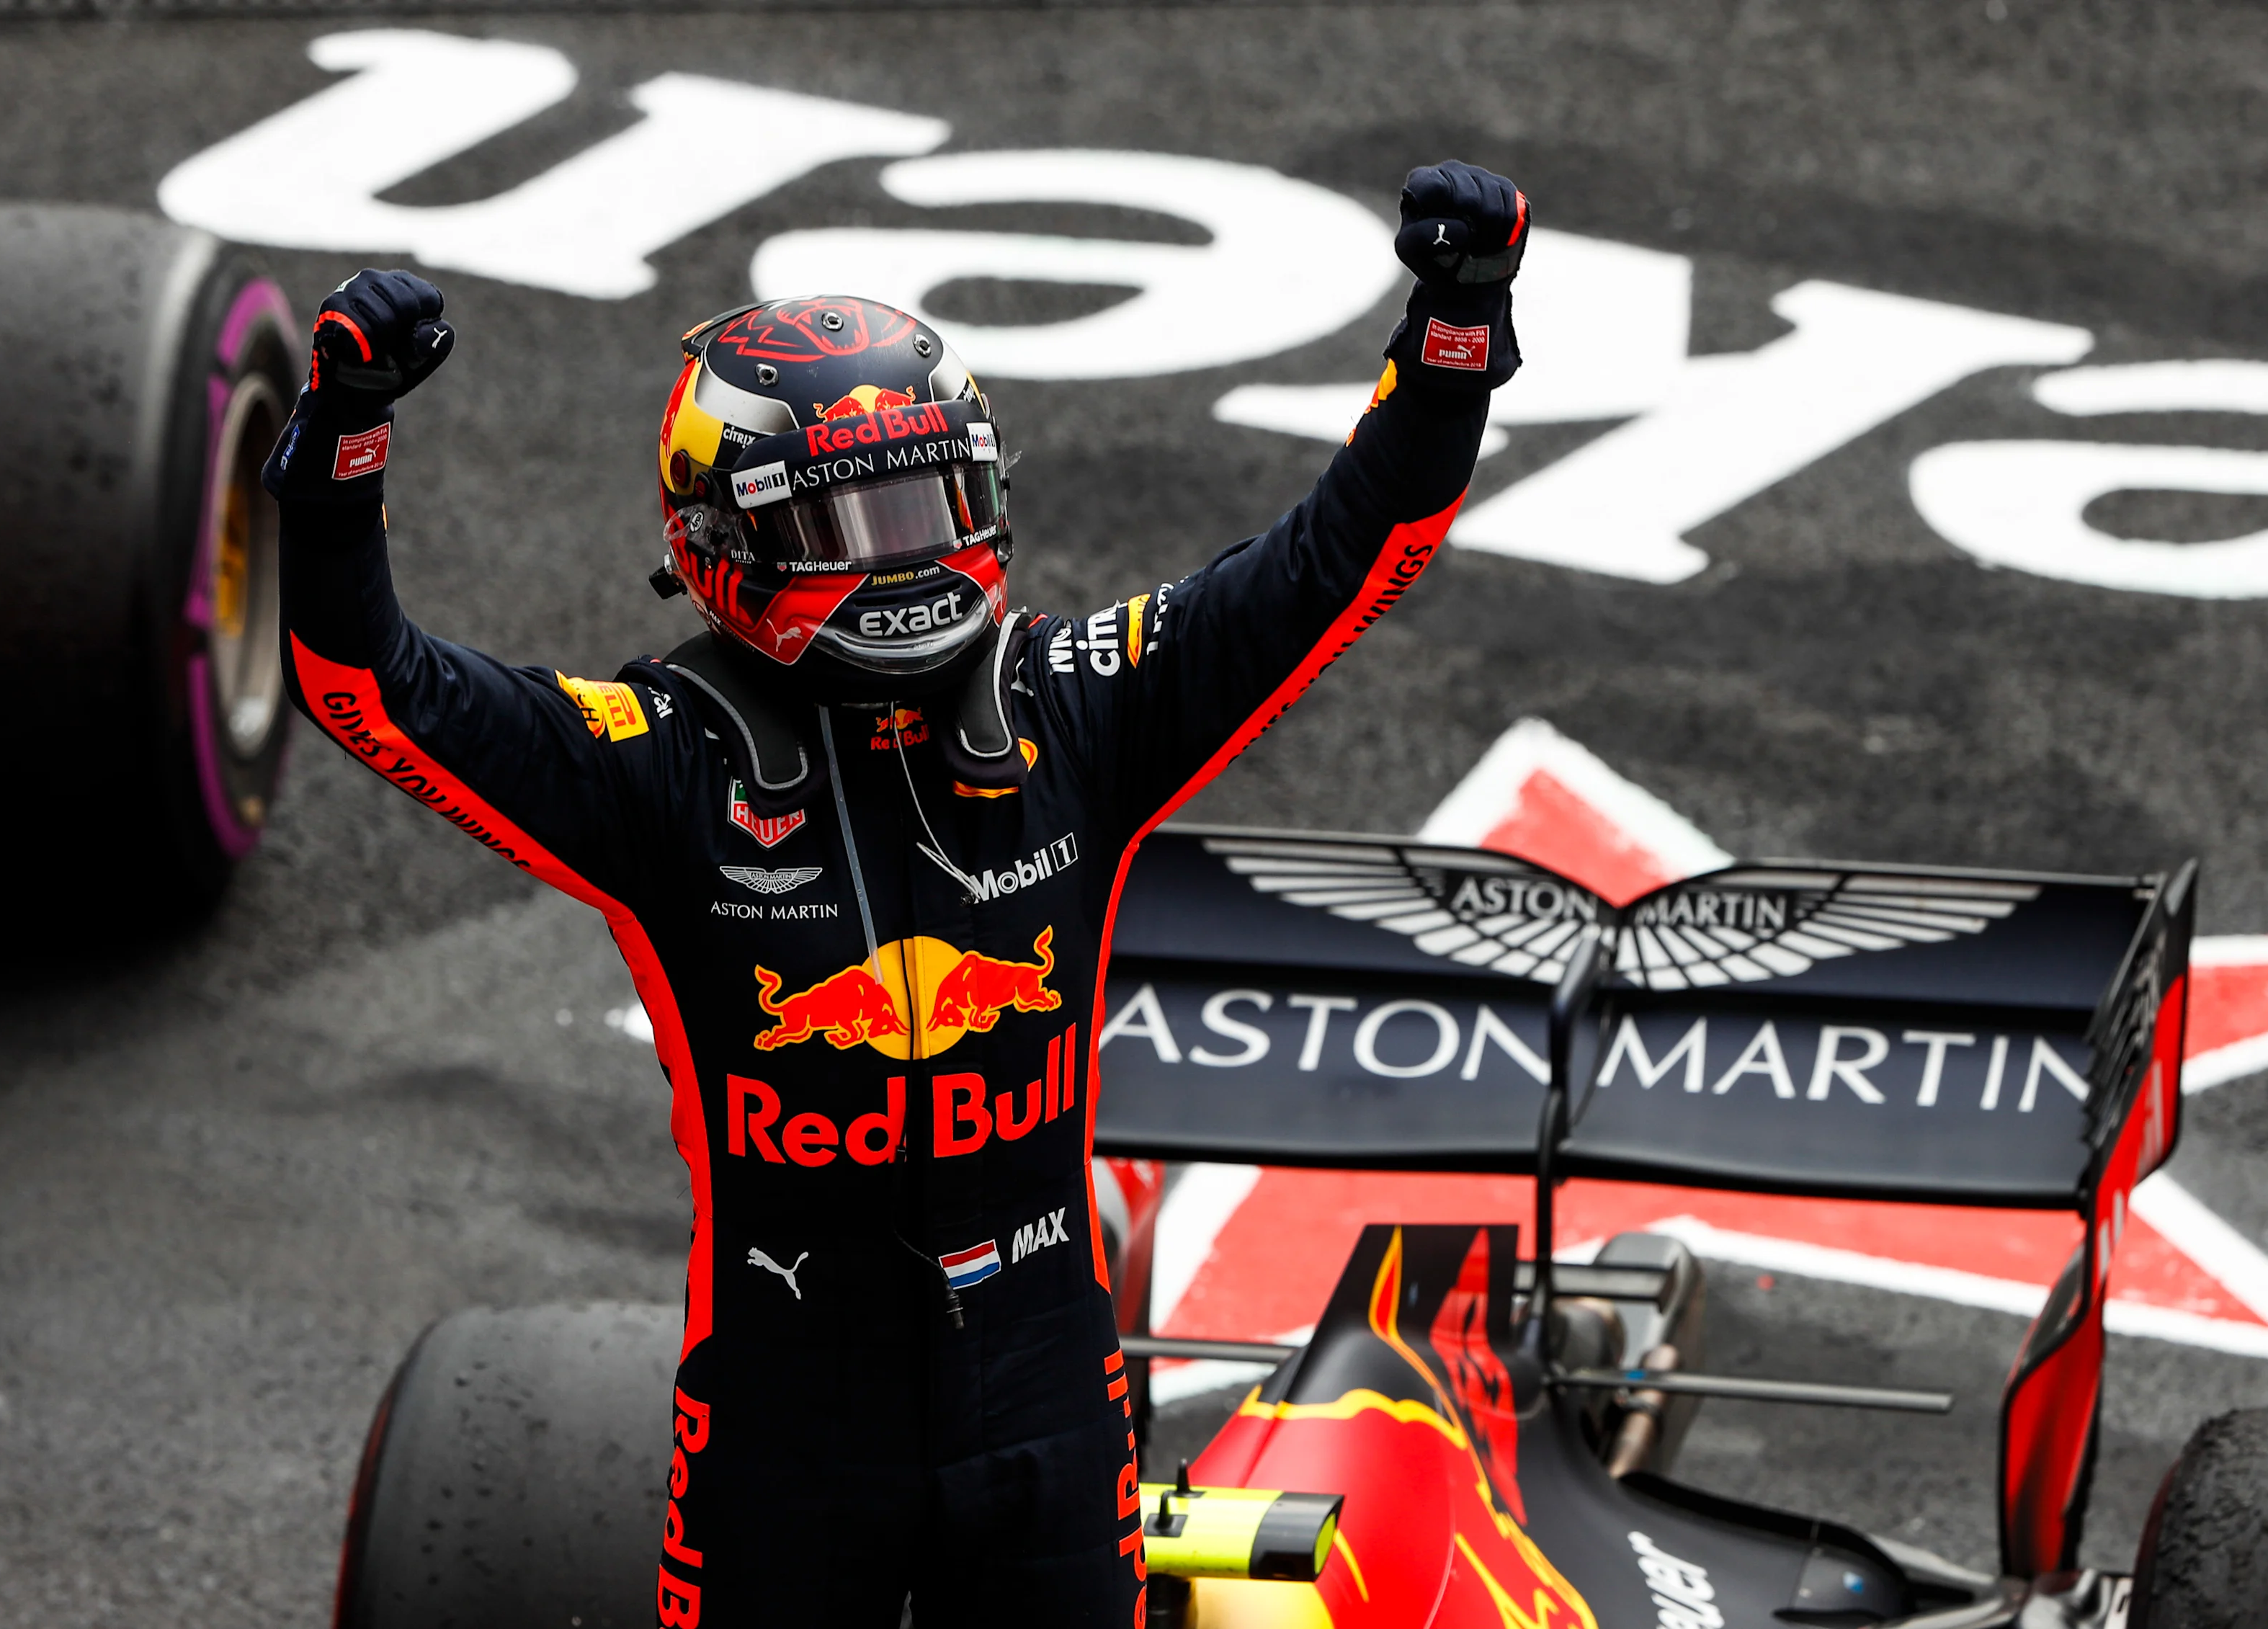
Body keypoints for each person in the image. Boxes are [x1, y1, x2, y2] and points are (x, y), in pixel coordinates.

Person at [267, 159, 1527, 1628]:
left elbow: (1343, 555)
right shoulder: (652, 764)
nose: (905, 557)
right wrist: (343, 446)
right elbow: (368, 685)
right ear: (722, 539)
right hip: (784, 1437)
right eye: (847, 526)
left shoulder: (1079, 706)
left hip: (1049, 1409)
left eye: (929, 504)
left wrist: (1453, 332)